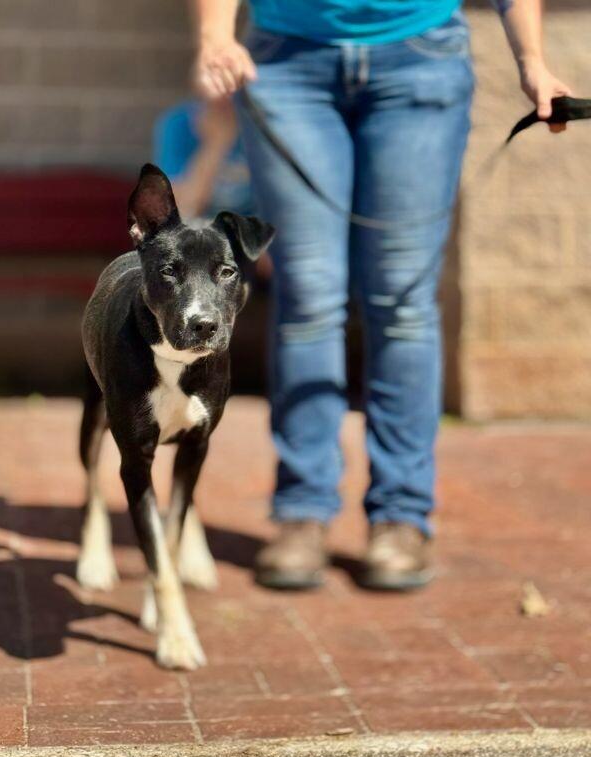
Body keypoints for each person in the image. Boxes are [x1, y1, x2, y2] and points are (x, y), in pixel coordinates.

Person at [189, 0, 572, 590]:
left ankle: (401, 514)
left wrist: (533, 60)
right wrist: (215, 35)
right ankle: (303, 511)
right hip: (288, 63)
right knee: (309, 294)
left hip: (419, 57)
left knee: (403, 300)